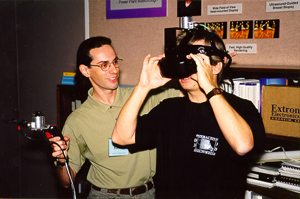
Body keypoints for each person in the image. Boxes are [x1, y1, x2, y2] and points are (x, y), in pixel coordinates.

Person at [112, 27, 266, 199]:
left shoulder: (242, 108)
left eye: (195, 61)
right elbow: (121, 137)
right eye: (184, 61)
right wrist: (143, 87)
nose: (186, 68)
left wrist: (209, 87)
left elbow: (243, 146)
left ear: (216, 67)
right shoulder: (169, 109)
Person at [50, 36, 180, 198]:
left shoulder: (141, 96)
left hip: (148, 193)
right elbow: (66, 181)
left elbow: (190, 95)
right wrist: (62, 161)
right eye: (104, 65)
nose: (114, 70)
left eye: (115, 62)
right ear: (85, 70)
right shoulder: (77, 120)